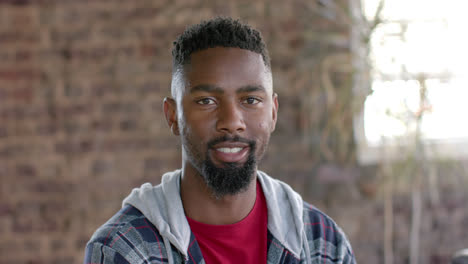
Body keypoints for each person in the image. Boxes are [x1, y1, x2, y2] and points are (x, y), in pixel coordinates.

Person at [84, 17, 356, 264]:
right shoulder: (123, 250)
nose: (232, 121)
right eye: (207, 101)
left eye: (250, 100)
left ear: (273, 113)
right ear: (173, 115)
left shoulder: (324, 245)